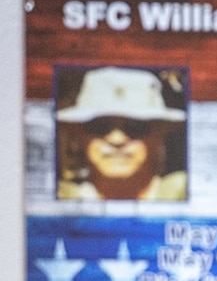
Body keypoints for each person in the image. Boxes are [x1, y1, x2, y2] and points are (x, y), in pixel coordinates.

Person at [55, 66, 188, 201]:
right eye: (100, 126)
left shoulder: (184, 193)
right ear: (79, 135)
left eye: (135, 126)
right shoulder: (60, 199)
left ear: (159, 135)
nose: (117, 139)